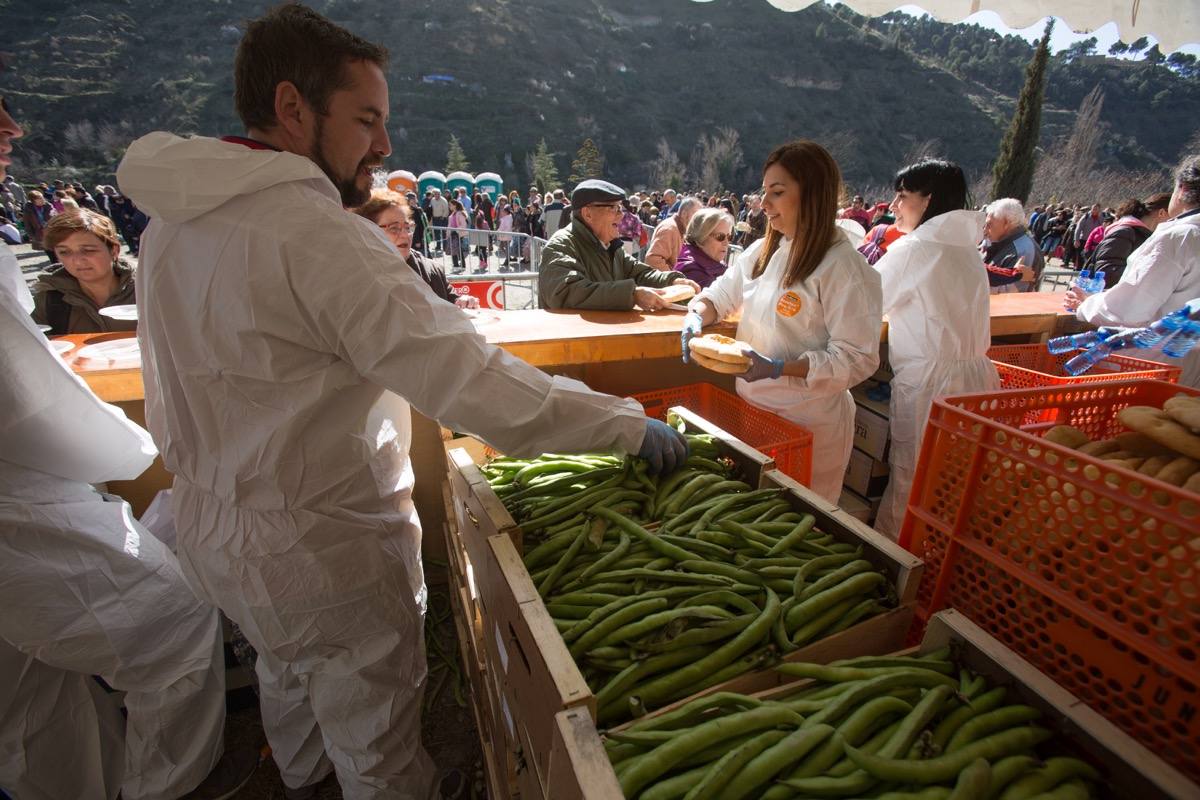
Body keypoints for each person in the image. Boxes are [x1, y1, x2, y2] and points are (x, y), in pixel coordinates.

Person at [115, 7, 686, 797]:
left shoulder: (173, 222)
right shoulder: (316, 234)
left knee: (286, 671)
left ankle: (304, 777)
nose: (383, 145)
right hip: (321, 544)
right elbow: (474, 382)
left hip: (214, 525)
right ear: (292, 108)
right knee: (376, 729)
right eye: (366, 120)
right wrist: (624, 424)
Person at [0, 90, 257, 800]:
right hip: (17, 507)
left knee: (27, 687)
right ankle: (168, 788)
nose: (12, 128)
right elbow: (25, 404)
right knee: (170, 628)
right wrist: (136, 452)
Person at [682, 141, 883, 503]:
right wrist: (698, 314)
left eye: (777, 192)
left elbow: (856, 357)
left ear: (813, 194)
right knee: (755, 509)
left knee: (799, 521)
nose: (764, 204)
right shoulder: (764, 251)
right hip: (754, 411)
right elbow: (723, 293)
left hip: (807, 422)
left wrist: (780, 368)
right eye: (764, 193)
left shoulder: (843, 267)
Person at [872, 159, 1001, 538]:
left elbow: (865, 302)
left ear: (927, 201)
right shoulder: (966, 248)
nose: (894, 206)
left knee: (912, 482)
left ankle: (897, 571)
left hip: (931, 385)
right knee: (956, 484)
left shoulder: (916, 249)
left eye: (902, 196)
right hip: (976, 378)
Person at [1065, 155, 1200, 388]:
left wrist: (1086, 304)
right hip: (1188, 361)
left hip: (1152, 363)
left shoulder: (1179, 237)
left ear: (1182, 188)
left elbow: (1131, 308)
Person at [538, 179, 699, 311]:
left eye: (620, 208)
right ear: (587, 213)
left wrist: (672, 281)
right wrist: (631, 294)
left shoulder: (611, 246)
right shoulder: (561, 245)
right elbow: (566, 292)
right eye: (614, 208)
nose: (621, 215)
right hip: (571, 346)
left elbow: (639, 273)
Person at [351, 189, 478, 308]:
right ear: (368, 231)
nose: (405, 235)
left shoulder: (433, 270)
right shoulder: (354, 278)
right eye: (394, 228)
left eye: (408, 227)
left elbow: (452, 301)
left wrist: (464, 301)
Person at [31, 209, 138, 335]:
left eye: (88, 250)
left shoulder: (148, 290)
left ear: (114, 251)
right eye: (64, 252)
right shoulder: (49, 299)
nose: (77, 261)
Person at [1090, 193, 1171, 287]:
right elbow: (1106, 272)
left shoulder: (1142, 234)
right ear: (1162, 213)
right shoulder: (1125, 233)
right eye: (1174, 217)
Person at [981, 198, 1044, 294]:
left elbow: (1011, 292)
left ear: (1006, 223)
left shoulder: (1023, 251)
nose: (985, 230)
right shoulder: (1007, 243)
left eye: (989, 225)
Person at [674, 207, 733, 288]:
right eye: (720, 236)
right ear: (702, 236)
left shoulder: (714, 262)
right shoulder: (692, 271)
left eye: (729, 237)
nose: (726, 243)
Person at [646, 195, 702, 271]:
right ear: (684, 214)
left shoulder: (680, 228)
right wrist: (674, 278)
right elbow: (653, 259)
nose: (698, 221)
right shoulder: (669, 229)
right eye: (696, 217)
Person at [447, 198, 469, 273]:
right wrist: (448, 233)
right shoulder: (452, 215)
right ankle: (455, 265)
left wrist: (456, 230)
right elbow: (449, 225)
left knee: (459, 250)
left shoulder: (460, 213)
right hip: (452, 235)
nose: (449, 206)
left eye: (451, 205)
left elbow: (463, 224)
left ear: (455, 206)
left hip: (458, 234)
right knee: (453, 250)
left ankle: (462, 266)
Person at [429, 188, 449, 253]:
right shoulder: (432, 200)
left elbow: (446, 210)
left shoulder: (443, 200)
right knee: (436, 233)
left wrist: (443, 217)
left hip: (442, 218)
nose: (437, 195)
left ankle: (445, 247)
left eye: (438, 194)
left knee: (443, 233)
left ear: (440, 194)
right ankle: (438, 246)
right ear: (434, 194)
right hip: (435, 218)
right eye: (435, 194)